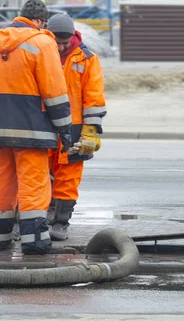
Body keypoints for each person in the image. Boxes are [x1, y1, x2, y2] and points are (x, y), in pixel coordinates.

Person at [0, 0, 72, 255]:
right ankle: (34, 242)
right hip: (32, 129)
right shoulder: (42, 42)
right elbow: (54, 90)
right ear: (41, 21)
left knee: (2, 182)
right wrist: (65, 128)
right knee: (33, 184)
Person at [46, 13, 107, 241]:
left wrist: (90, 131)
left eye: (64, 42)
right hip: (45, 125)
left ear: (72, 37)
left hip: (74, 129)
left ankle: (60, 223)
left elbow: (94, 96)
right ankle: (40, 219)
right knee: (38, 176)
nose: (61, 47)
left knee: (68, 179)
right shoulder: (41, 52)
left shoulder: (87, 58)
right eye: (57, 42)